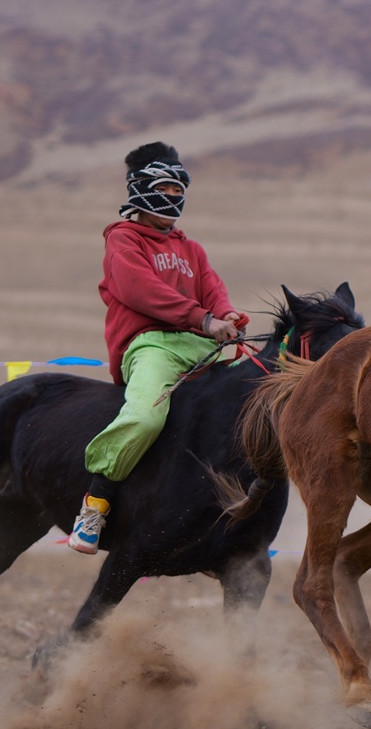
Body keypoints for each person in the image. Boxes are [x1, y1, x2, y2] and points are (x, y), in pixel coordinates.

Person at [68, 142, 249, 554]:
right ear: (140, 189)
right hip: (151, 345)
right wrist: (204, 319)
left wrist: (227, 316)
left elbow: (214, 290)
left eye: (177, 189)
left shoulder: (192, 250)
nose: (173, 197)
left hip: (200, 345)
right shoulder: (123, 241)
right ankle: (94, 507)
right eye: (165, 187)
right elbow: (141, 291)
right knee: (146, 420)